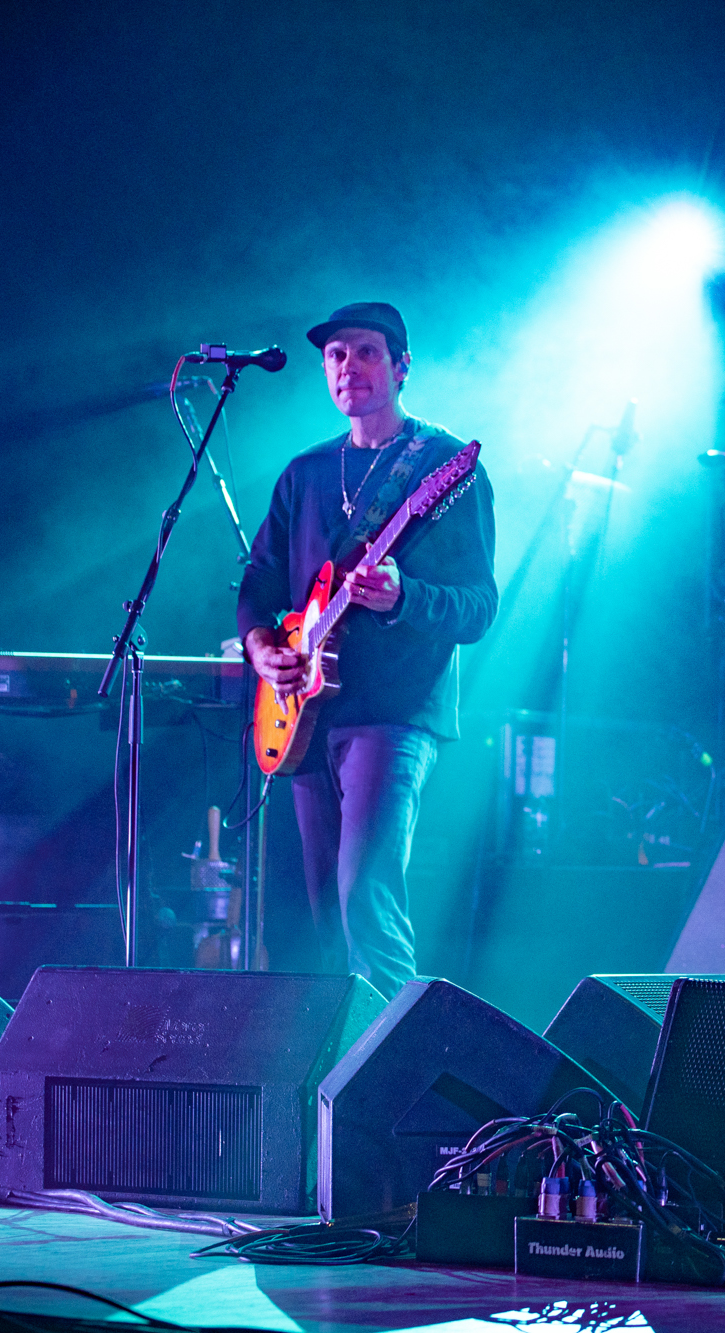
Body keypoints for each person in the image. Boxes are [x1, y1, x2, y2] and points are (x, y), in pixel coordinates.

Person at [238, 302, 497, 998]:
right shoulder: (305, 473)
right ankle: (337, 1063)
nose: (347, 366)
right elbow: (258, 586)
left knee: (365, 899)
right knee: (323, 918)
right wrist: (262, 650)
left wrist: (404, 596)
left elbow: (479, 606)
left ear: (402, 366)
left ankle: (394, 1060)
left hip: (395, 713)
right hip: (306, 712)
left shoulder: (443, 466)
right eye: (335, 355)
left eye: (366, 352)